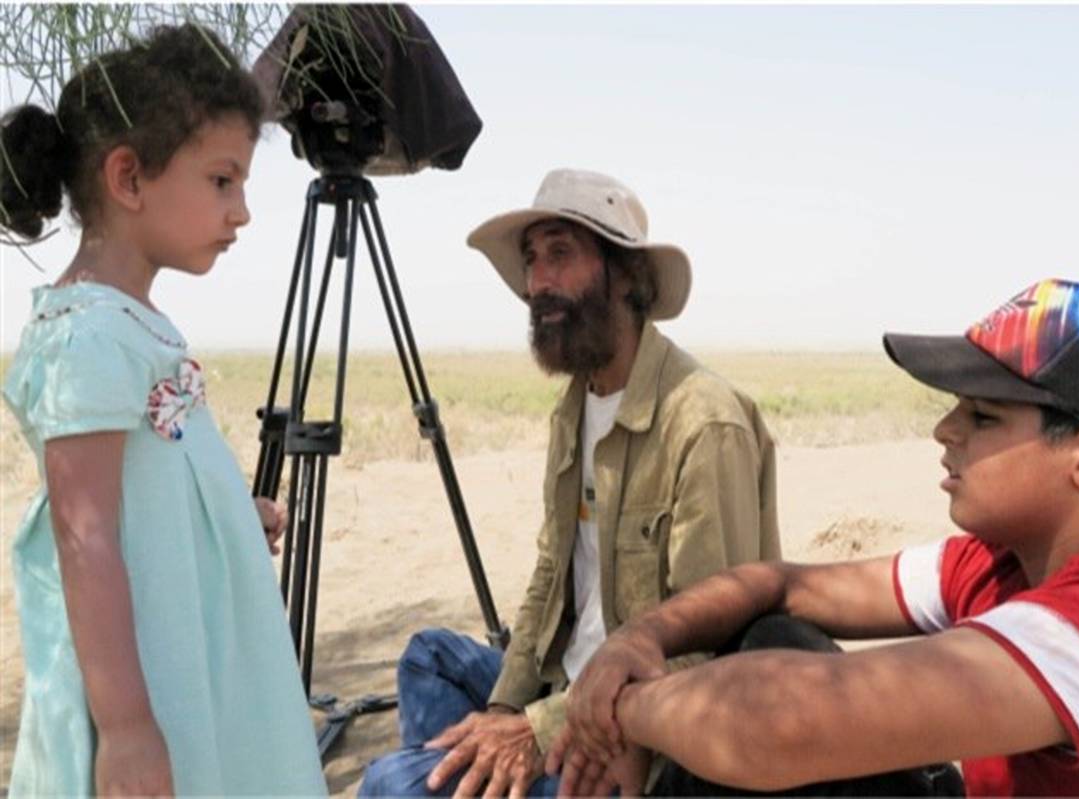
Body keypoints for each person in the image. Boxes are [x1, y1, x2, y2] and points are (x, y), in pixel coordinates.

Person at [551, 278, 1079, 797]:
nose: (945, 429)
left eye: (981, 414)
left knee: (757, 715)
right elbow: (783, 583)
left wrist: (619, 706)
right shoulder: (1001, 561)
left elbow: (781, 723)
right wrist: (639, 640)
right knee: (771, 632)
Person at [359, 169, 781, 798]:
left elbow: (709, 650)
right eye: (532, 260)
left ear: (629, 276)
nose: (538, 283)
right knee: (429, 657)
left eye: (561, 254)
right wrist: (505, 715)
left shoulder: (703, 422)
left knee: (392, 784)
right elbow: (550, 576)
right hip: (565, 689)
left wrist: (541, 730)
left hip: (636, 735)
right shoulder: (576, 407)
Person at [1, 25, 327, 796]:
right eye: (222, 180)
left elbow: (140, 498)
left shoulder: (126, 323)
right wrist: (126, 730)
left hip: (188, 651)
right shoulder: (89, 337)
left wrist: (222, 515)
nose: (241, 210)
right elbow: (87, 546)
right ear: (129, 177)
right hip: (149, 684)